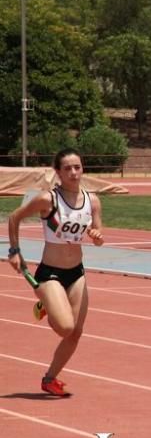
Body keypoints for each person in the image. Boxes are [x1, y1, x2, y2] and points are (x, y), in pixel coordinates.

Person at [6, 148, 104, 397]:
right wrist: (15, 251)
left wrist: (96, 235)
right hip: (50, 272)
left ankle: (50, 379)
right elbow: (14, 217)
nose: (73, 172)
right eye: (68, 168)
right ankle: (47, 302)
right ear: (58, 172)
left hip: (77, 272)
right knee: (64, 327)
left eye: (77, 167)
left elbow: (99, 236)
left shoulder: (92, 200)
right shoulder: (47, 199)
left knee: (75, 333)